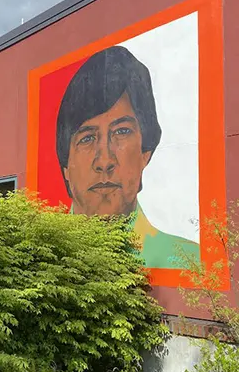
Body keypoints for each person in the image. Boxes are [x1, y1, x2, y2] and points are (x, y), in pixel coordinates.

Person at [56, 45, 199, 269]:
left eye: (121, 132)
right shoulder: (44, 256)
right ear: (66, 165)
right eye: (86, 138)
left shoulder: (189, 262)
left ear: (146, 152)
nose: (104, 161)